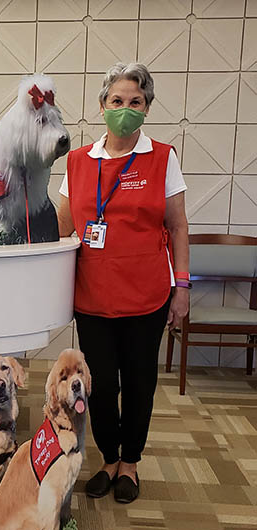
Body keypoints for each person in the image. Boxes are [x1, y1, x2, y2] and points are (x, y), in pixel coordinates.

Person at [57, 62, 190, 504]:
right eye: (117, 101)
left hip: (147, 297)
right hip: (92, 297)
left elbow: (178, 226)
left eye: (136, 101)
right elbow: (59, 229)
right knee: (98, 386)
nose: (125, 109)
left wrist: (183, 286)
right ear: (102, 106)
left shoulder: (162, 157)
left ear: (146, 108)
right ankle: (107, 458)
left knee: (138, 383)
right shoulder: (77, 162)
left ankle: (130, 462)